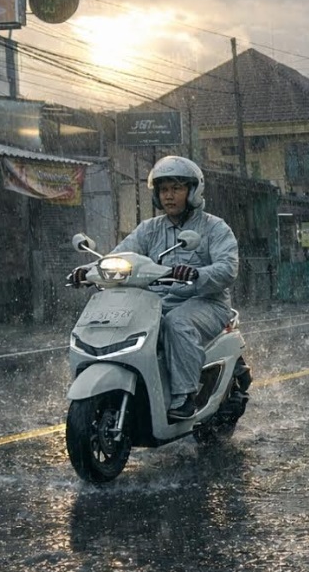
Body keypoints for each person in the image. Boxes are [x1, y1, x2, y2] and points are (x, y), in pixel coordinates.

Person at [70, 155, 239, 422]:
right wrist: (89, 271)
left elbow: (227, 269)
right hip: (157, 302)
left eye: (176, 188)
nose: (169, 196)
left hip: (206, 302)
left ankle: (185, 396)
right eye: (163, 190)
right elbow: (118, 256)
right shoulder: (149, 229)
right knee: (123, 324)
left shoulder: (215, 228)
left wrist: (196, 273)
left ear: (193, 191)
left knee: (176, 324)